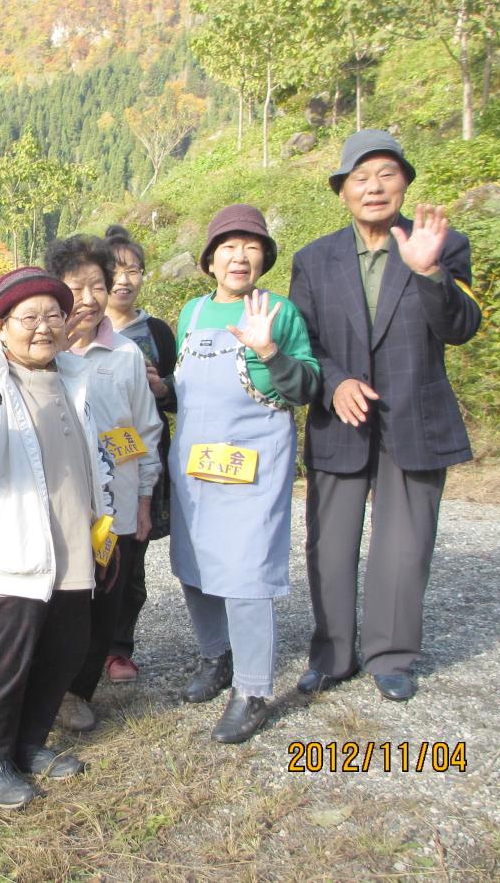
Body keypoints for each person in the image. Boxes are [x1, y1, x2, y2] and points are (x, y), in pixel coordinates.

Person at [289, 130, 481, 702]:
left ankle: (392, 655)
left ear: (405, 183)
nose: (374, 187)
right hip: (339, 418)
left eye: (386, 174)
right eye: (360, 177)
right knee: (329, 544)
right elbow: (303, 342)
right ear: (342, 191)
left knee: (405, 543)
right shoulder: (314, 259)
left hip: (416, 417)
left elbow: (462, 327)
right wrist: (334, 382)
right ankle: (331, 654)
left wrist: (428, 273)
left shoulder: (443, 244)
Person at [0, 266, 112, 809]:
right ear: (2, 327)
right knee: (9, 663)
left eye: (52, 315)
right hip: (13, 552)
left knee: (63, 653)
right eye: (28, 317)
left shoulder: (76, 377)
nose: (42, 327)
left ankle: (31, 744)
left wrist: (108, 525)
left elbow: (97, 459)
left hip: (74, 546)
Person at [170, 205, 320, 744]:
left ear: (264, 259)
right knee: (192, 565)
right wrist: (160, 386)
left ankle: (253, 691)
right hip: (193, 463)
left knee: (247, 574)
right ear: (210, 261)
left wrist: (270, 350)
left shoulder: (279, 312)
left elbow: (306, 386)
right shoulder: (191, 313)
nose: (240, 256)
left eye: (252, 246)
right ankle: (217, 656)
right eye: (229, 247)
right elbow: (188, 388)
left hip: (252, 464)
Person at [43, 235, 163, 733]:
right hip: (57, 507)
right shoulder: (36, 351)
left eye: (99, 285)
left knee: (104, 601)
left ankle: (77, 692)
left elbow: (144, 429)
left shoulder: (126, 355)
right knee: (56, 602)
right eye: (77, 286)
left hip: (115, 501)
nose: (89, 297)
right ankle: (41, 688)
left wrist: (142, 497)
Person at [101, 225, 178, 683]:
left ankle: (119, 648)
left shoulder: (158, 333)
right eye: (115, 269)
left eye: (135, 270)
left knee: (132, 557)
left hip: (143, 461)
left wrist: (160, 389)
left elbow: (175, 398)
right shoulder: (84, 329)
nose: (125, 279)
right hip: (94, 464)